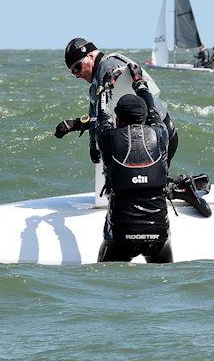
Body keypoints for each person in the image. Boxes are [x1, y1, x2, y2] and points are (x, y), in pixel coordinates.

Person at [54, 38, 178, 166]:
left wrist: (75, 124)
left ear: (90, 56)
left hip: (157, 135)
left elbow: (110, 118)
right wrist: (93, 144)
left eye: (77, 68)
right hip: (144, 137)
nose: (77, 75)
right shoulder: (95, 85)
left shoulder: (110, 69)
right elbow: (97, 115)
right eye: (73, 72)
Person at [94, 62, 172, 263]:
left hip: (120, 235)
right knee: (165, 287)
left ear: (118, 119)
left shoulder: (108, 137)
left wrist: (106, 86)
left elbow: (103, 114)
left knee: (107, 286)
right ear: (145, 118)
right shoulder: (160, 133)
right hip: (158, 233)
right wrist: (140, 83)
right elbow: (153, 111)